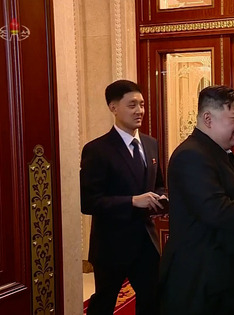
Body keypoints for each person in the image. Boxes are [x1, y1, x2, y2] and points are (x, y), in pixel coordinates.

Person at [158, 85, 234, 315]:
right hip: (202, 281)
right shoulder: (192, 155)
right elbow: (216, 210)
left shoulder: (220, 152)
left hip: (226, 276)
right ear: (208, 118)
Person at [80, 79, 167, 315]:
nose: (139, 111)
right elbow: (88, 202)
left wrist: (161, 198)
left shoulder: (150, 144)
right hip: (111, 245)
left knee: (152, 300)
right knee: (104, 303)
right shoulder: (97, 150)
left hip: (147, 242)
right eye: (132, 105)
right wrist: (131, 201)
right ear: (113, 107)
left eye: (142, 104)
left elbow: (158, 185)